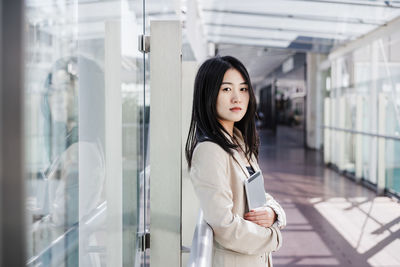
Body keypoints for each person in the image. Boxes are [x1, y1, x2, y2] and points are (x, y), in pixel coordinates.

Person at [185, 56, 286, 267]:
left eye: (242, 89)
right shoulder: (209, 150)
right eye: (226, 89)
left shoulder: (239, 140)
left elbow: (259, 194)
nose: (237, 98)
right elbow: (224, 226)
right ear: (208, 94)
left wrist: (274, 213)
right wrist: (273, 237)